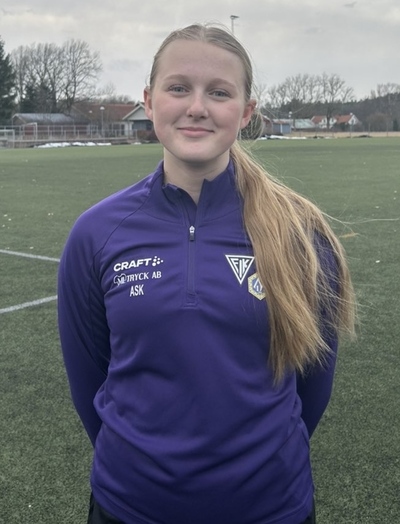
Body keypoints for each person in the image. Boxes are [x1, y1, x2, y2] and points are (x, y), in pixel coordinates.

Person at [58, 23, 356, 524]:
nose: (197, 107)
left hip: (271, 509)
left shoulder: (300, 232)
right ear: (149, 101)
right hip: (129, 507)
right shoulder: (97, 232)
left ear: (246, 112)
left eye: (219, 93)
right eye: (179, 88)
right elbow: (90, 378)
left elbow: (313, 385)